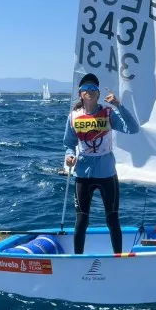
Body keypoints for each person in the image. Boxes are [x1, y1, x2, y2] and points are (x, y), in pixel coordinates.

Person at [63, 73, 139, 255]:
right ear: (80, 94)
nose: (89, 91)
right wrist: (69, 156)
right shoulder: (73, 116)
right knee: (81, 220)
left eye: (93, 89)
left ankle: (118, 257)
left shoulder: (108, 113)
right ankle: (78, 260)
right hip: (83, 175)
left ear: (98, 94)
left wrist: (118, 105)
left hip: (107, 174)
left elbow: (133, 128)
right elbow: (69, 143)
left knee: (112, 219)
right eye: (85, 89)